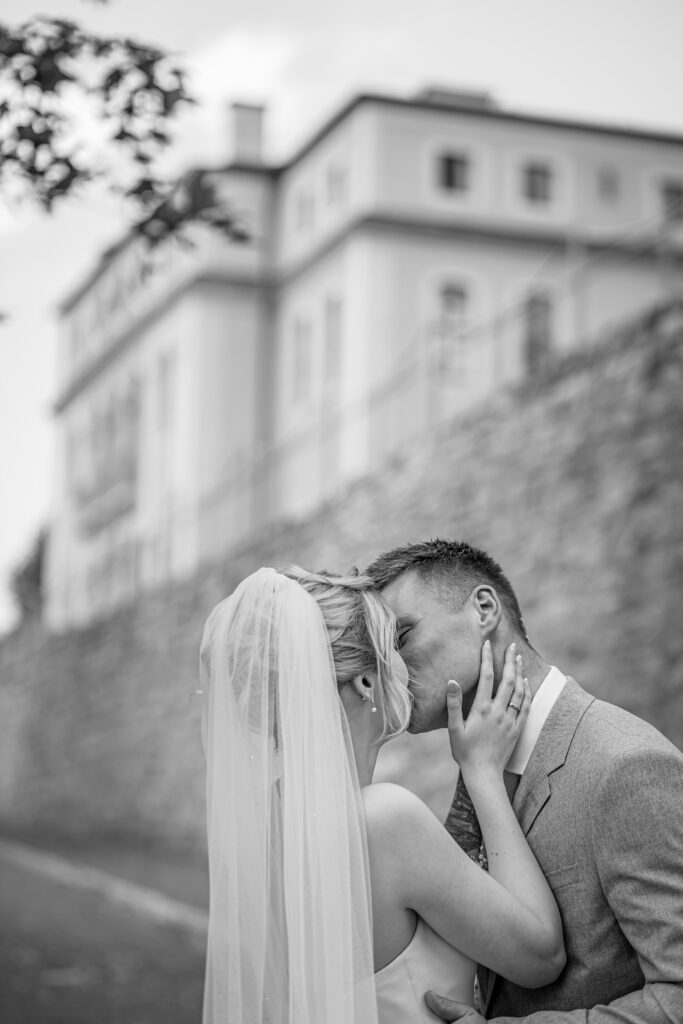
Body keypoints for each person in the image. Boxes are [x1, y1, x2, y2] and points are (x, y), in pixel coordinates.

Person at [198, 565, 565, 1024]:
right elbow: (541, 956)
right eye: (394, 644)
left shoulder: (263, 826)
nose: (406, 662)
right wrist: (483, 771)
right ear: (366, 682)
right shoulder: (384, 820)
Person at [366, 538, 683, 1024]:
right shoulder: (478, 767)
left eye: (402, 636)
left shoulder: (626, 766)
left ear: (484, 609)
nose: (389, 667)